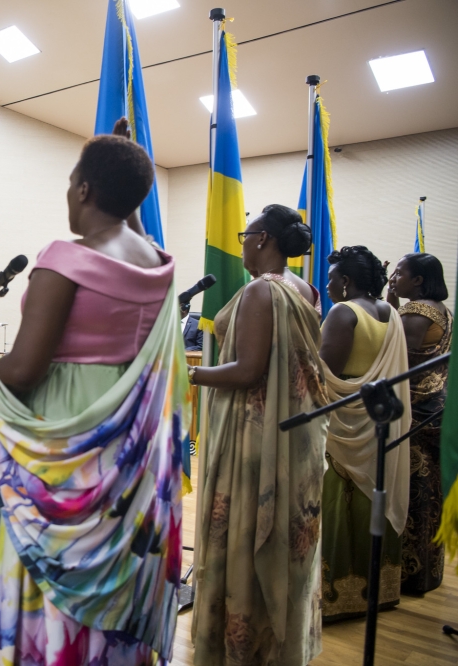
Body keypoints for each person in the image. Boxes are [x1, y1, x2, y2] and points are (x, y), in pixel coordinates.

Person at [0, 118, 187, 664]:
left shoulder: (64, 261)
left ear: (84, 190)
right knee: (118, 572)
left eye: (71, 181)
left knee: (51, 581)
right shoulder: (157, 263)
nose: (67, 192)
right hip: (128, 455)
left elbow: (22, 372)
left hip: (66, 443)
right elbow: (129, 213)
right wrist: (123, 161)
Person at [189, 204, 327, 665]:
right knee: (287, 534)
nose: (241, 243)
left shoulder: (260, 292)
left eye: (245, 235)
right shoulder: (306, 289)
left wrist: (190, 375)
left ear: (263, 238)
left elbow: (248, 370)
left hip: (255, 435)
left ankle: (244, 647)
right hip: (298, 430)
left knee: (248, 533)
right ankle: (282, 644)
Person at [318, 246, 410, 622]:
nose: (327, 285)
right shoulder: (390, 312)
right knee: (372, 492)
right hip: (377, 416)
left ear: (346, 281)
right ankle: (379, 589)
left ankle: (337, 594)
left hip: (343, 419)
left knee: (340, 496)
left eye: (331, 278)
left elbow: (324, 371)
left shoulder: (344, 312)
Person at [387, 252, 452, 595]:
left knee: (412, 493)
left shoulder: (417, 311)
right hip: (436, 409)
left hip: (415, 414)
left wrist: (393, 310)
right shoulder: (442, 310)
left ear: (418, 280)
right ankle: (427, 573)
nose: (393, 277)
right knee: (430, 495)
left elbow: (400, 360)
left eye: (400, 273)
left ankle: (406, 574)